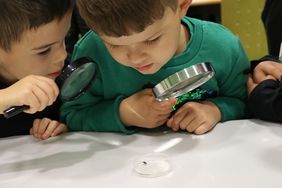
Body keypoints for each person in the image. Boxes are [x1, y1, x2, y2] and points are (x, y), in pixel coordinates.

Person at [61, 0, 250, 135]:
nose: (135, 58)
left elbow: (245, 102)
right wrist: (124, 113)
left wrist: (215, 110)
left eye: (152, 39)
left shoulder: (223, 48)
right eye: (114, 45)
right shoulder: (92, 52)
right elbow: (72, 114)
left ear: (182, 5)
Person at [0, 0, 74, 139]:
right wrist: (4, 98)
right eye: (44, 51)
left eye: (65, 38)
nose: (62, 55)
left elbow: (78, 115)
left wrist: (61, 127)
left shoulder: (66, 75)